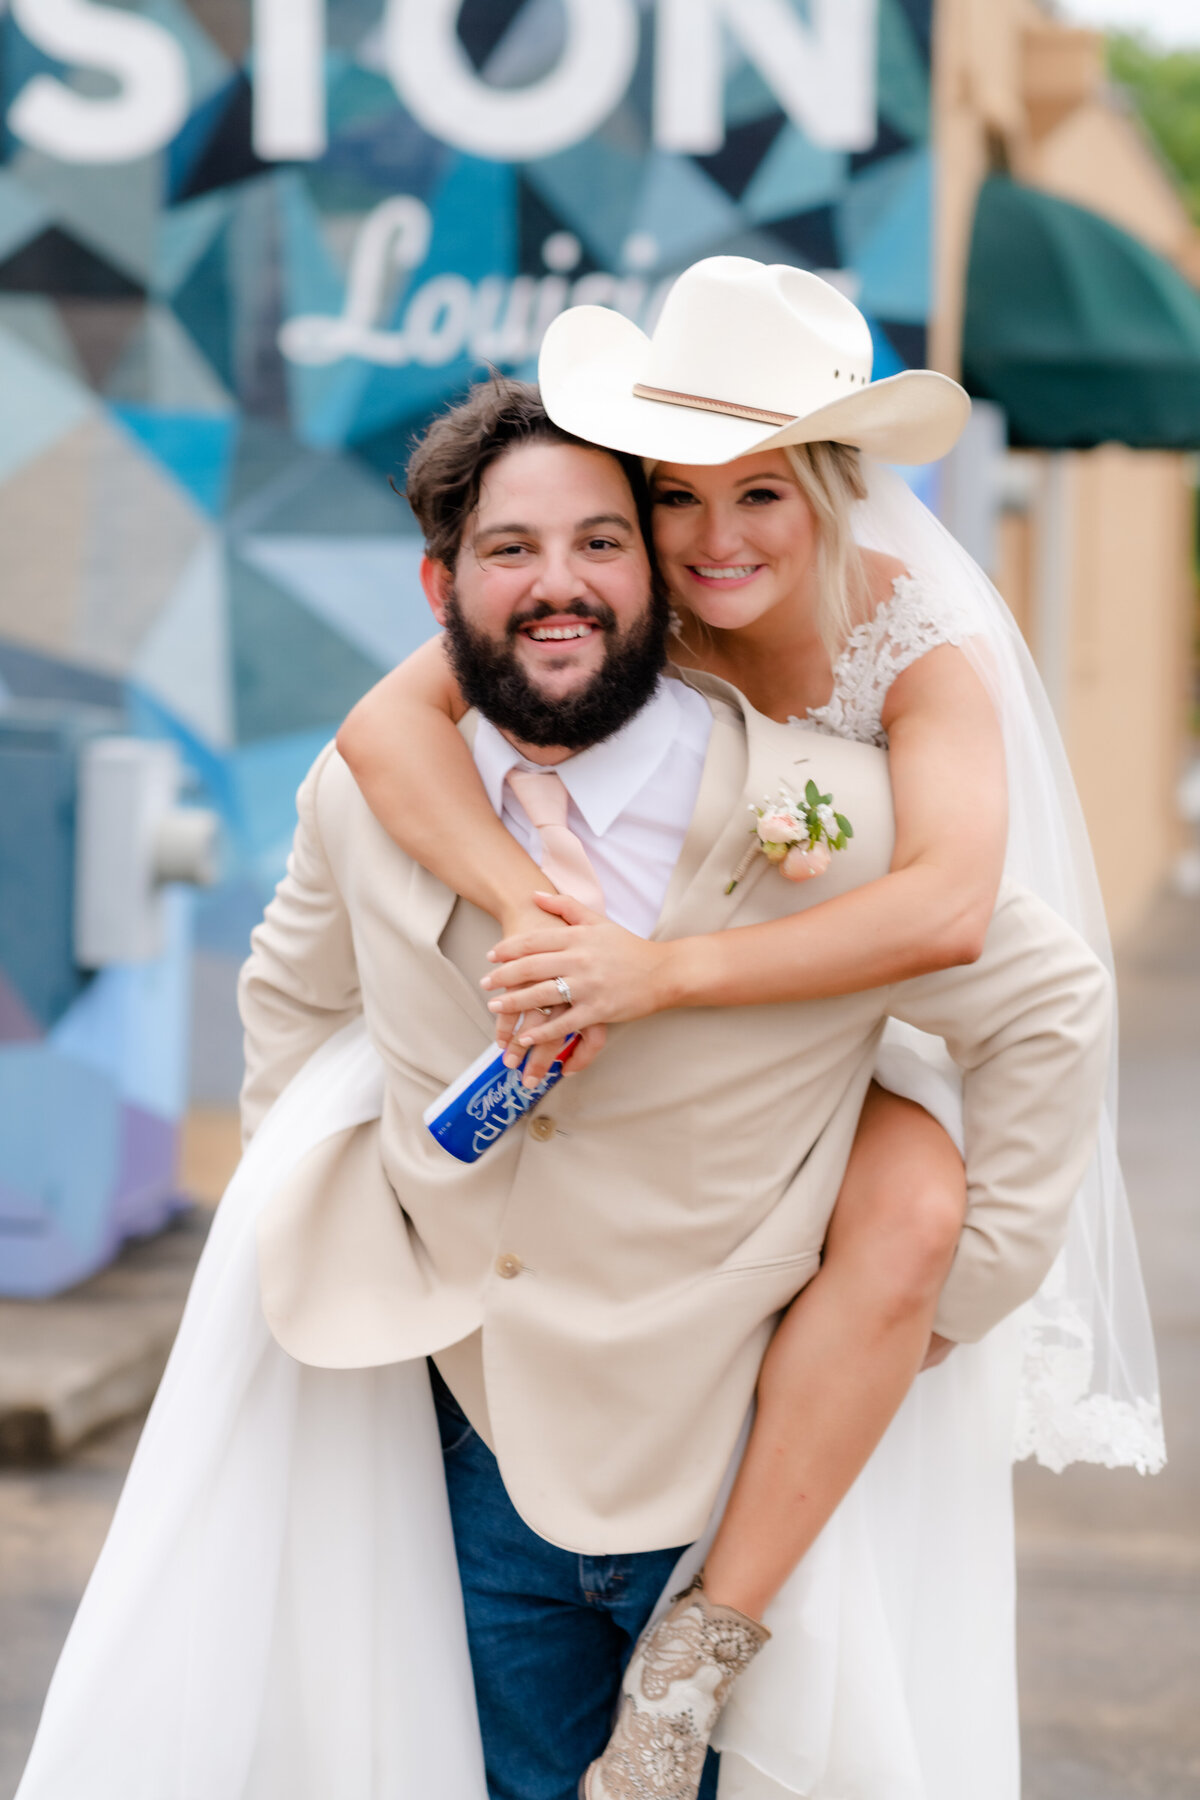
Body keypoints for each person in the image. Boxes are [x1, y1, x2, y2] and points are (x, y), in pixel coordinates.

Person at [334, 260, 1164, 1796]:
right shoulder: (636, 615)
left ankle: (701, 1651)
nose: (716, 543)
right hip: (652, 1075)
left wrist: (656, 983)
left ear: (833, 493)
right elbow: (386, 729)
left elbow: (952, 915)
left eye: (762, 495)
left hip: (865, 1015)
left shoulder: (917, 652)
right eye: (675, 497)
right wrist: (531, 911)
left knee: (913, 1202)